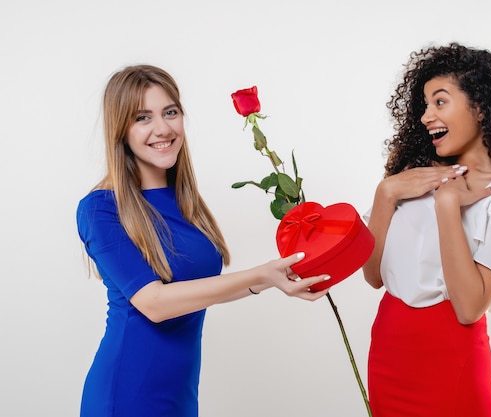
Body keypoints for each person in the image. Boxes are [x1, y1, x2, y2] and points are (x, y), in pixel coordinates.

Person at [76, 64, 330, 417]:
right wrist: (261, 276)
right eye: (142, 118)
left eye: (170, 112)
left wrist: (276, 279)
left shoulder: (185, 201)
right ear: (121, 131)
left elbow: (202, 287)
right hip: (127, 396)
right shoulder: (101, 208)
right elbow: (155, 303)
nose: (163, 128)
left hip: (179, 395)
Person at [362, 43, 491, 417]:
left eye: (440, 102)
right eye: (424, 104)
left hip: (451, 358)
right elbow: (373, 276)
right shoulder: (412, 174)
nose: (426, 116)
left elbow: (469, 308)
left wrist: (447, 206)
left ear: (482, 106)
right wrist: (386, 193)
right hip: (389, 348)